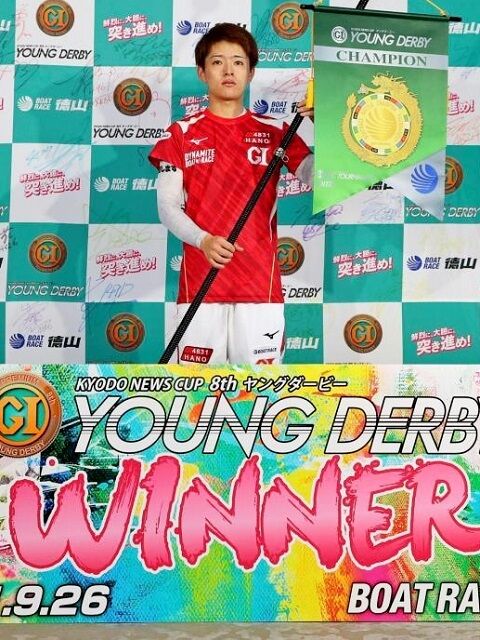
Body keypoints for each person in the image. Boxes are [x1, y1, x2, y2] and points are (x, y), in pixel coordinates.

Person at [149, 23, 313, 364]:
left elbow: (320, 178)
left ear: (250, 73)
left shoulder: (277, 131)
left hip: (260, 288)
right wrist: (204, 240)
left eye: (238, 62)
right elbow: (167, 206)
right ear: (201, 72)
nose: (228, 70)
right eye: (217, 61)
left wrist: (324, 125)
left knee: (260, 390)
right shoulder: (180, 133)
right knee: (194, 392)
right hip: (200, 287)